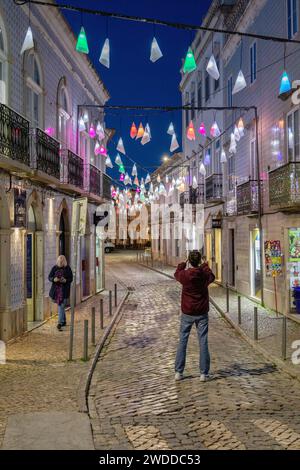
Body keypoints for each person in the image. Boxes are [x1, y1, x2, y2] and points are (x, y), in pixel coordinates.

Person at [174, 250, 215, 382]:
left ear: (190, 261)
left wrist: (182, 264)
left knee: (183, 341)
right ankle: (204, 373)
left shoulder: (184, 275)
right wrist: (205, 265)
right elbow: (212, 276)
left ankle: (179, 372)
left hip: (187, 312)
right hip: (201, 312)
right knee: (203, 341)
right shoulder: (203, 274)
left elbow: (176, 273)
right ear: (199, 261)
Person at [49, 255, 73, 331]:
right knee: (61, 306)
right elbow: (49, 277)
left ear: (64, 261)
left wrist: (65, 280)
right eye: (60, 261)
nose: (61, 262)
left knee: (61, 306)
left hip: (64, 291)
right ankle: (64, 321)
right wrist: (54, 279)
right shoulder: (54, 268)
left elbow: (71, 278)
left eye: (62, 261)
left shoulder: (67, 268)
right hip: (56, 291)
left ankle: (59, 323)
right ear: (58, 261)